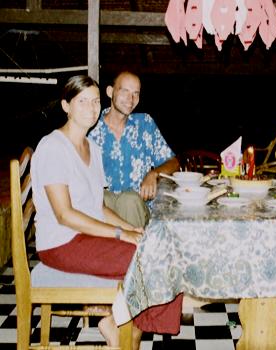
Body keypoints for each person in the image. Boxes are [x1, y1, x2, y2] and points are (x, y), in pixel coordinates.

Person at [31, 75, 183, 349]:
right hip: (61, 242)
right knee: (145, 260)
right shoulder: (53, 147)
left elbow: (97, 206)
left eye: (95, 102)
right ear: (66, 105)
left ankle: (123, 323)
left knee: (155, 247)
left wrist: (131, 229)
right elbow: (65, 215)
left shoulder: (93, 149)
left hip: (83, 237)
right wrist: (119, 234)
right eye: (82, 102)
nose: (91, 109)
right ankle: (129, 332)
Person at [88, 71, 179, 228]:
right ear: (110, 92)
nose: (131, 99)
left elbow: (174, 162)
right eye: (125, 91)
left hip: (138, 209)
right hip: (104, 211)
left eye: (136, 93)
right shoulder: (91, 130)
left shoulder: (144, 124)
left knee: (129, 200)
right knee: (104, 199)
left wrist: (153, 174)